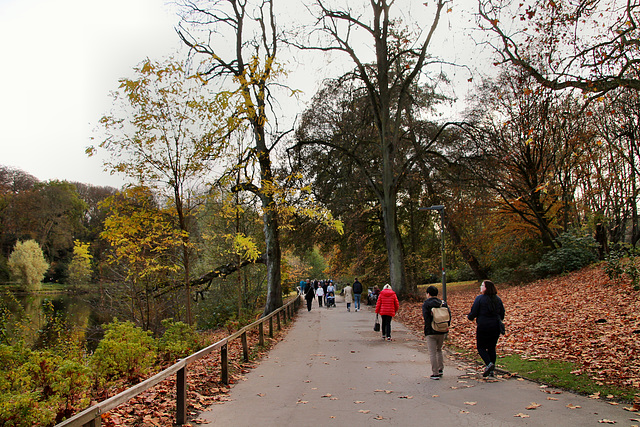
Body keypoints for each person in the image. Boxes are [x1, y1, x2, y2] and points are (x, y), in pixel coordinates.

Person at [467, 280, 505, 377]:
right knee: (492, 347)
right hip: (495, 326)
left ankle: (489, 364)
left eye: (482, 285)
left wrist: (470, 317)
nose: (480, 286)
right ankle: (491, 370)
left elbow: (474, 312)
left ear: (486, 287)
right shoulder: (497, 299)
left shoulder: (480, 298)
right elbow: (502, 313)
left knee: (481, 347)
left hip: (483, 326)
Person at [422, 286, 450, 380]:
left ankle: (435, 372)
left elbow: (426, 318)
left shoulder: (426, 304)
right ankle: (440, 369)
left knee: (432, 352)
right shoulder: (443, 303)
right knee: (439, 350)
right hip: (441, 329)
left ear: (428, 294)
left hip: (431, 331)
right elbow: (448, 315)